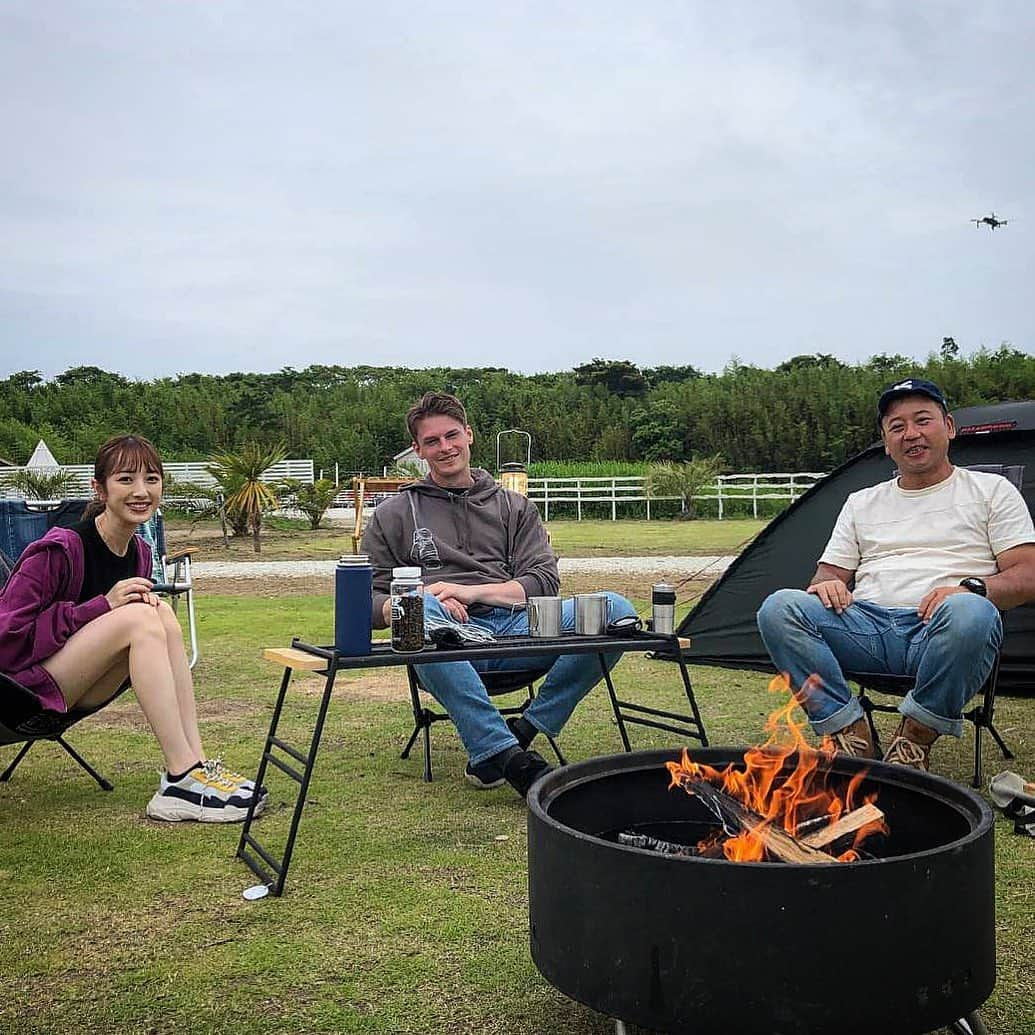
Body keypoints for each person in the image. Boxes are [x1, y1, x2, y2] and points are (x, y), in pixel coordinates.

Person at [362, 391, 637, 798]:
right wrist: (422, 597)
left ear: (469, 435)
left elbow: (542, 581)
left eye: (452, 436)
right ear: (418, 450)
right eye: (432, 442)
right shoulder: (393, 514)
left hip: (515, 629)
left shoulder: (513, 507)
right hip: (445, 642)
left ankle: (524, 729)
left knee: (615, 610)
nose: (445, 448)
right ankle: (511, 760)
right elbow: (367, 603)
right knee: (418, 611)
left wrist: (467, 592)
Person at [756, 378, 1035, 771]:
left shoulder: (992, 491)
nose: (911, 434)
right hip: (868, 628)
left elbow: (1028, 576)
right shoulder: (861, 502)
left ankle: (913, 741)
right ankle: (850, 733)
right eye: (897, 427)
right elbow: (824, 579)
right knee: (779, 607)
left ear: (949, 427)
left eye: (923, 420)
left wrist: (971, 589)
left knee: (971, 611)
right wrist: (829, 585)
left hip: (942, 628)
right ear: (886, 442)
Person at [0, 434, 265, 822]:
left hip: (75, 686)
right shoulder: (59, 550)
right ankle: (179, 778)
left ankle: (196, 765)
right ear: (99, 488)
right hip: (19, 693)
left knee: (163, 616)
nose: (141, 491)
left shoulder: (140, 552)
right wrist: (100, 607)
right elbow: (6, 640)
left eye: (151, 479)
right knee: (140, 617)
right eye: (125, 479)